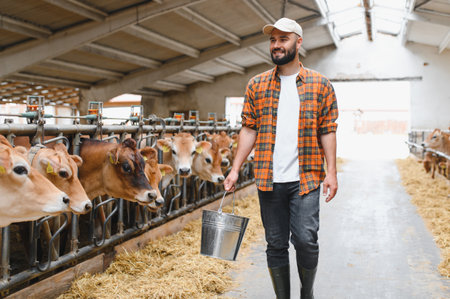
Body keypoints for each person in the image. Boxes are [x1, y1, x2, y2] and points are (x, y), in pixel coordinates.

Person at [223, 17, 338, 299]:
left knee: (305, 240)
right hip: (268, 178)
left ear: (298, 42)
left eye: (283, 39)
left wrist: (332, 172)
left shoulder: (320, 84)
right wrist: (235, 169)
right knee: (275, 243)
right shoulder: (257, 85)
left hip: (307, 177)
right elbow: (249, 127)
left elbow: (328, 130)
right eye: (273, 40)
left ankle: (306, 293)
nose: (276, 45)